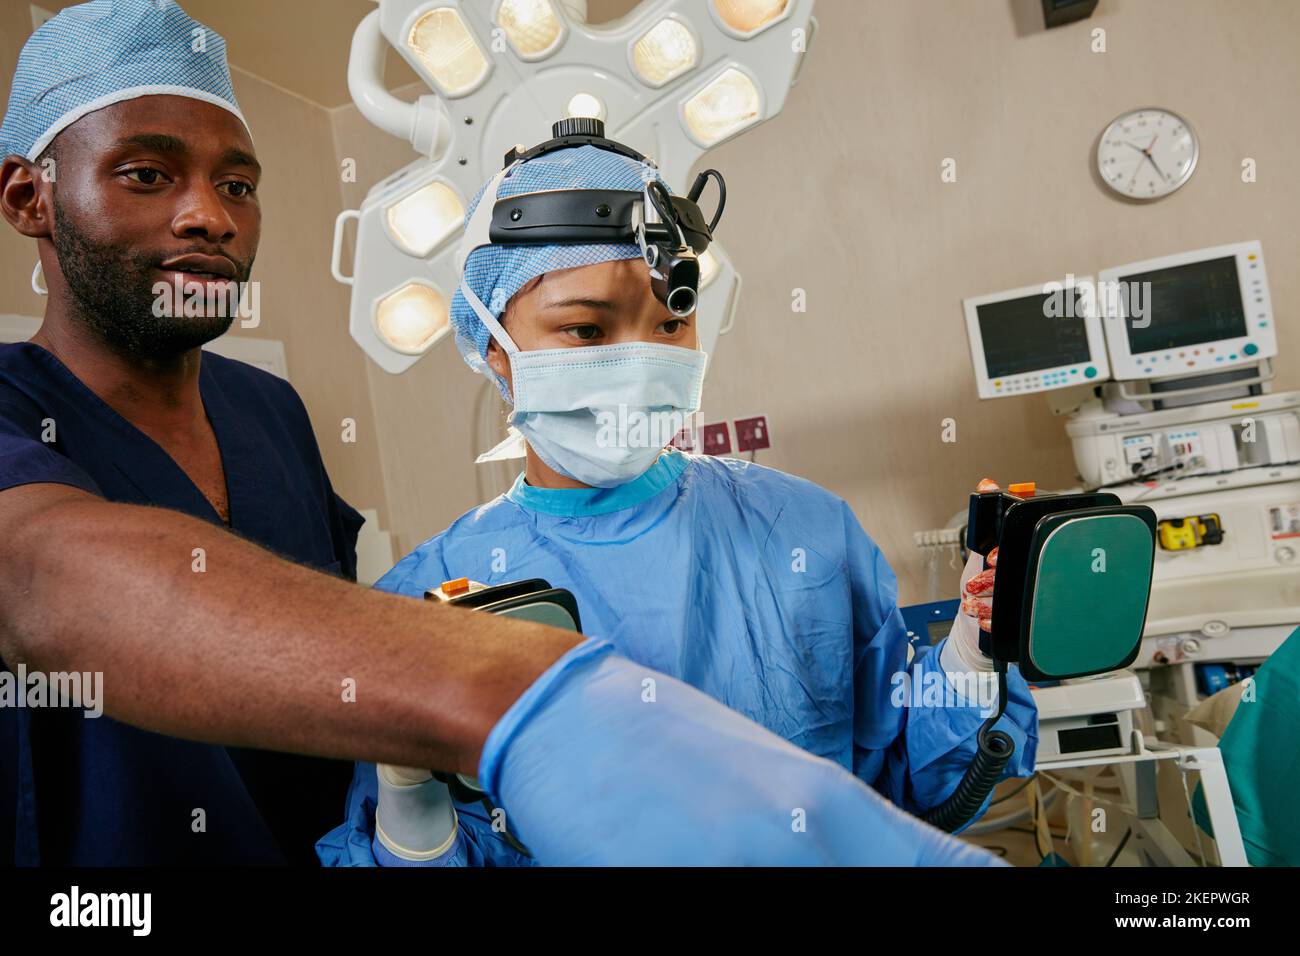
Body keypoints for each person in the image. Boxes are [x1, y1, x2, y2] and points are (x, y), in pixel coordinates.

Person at [0, 0, 1001, 867]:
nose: (208, 216)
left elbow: (913, 754)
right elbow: (46, 576)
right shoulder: (444, 592)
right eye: (145, 175)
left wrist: (968, 650)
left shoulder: (270, 414)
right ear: (28, 196)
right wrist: (483, 690)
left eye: (239, 184)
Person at [320, 126, 1038, 866]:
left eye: (671, 322)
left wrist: (970, 654)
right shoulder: (424, 604)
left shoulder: (807, 531)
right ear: (494, 344)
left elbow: (910, 785)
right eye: (586, 329)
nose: (638, 364)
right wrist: (410, 793)